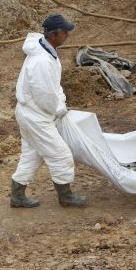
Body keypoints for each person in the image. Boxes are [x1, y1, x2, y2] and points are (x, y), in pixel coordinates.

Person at [10, 14, 86, 208]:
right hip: (36, 116)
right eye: (64, 32)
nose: (68, 35)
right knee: (60, 155)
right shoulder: (42, 61)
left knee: (32, 154)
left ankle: (17, 196)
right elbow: (45, 96)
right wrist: (59, 108)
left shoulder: (47, 50)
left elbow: (53, 86)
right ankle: (66, 196)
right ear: (53, 35)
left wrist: (60, 100)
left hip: (30, 112)